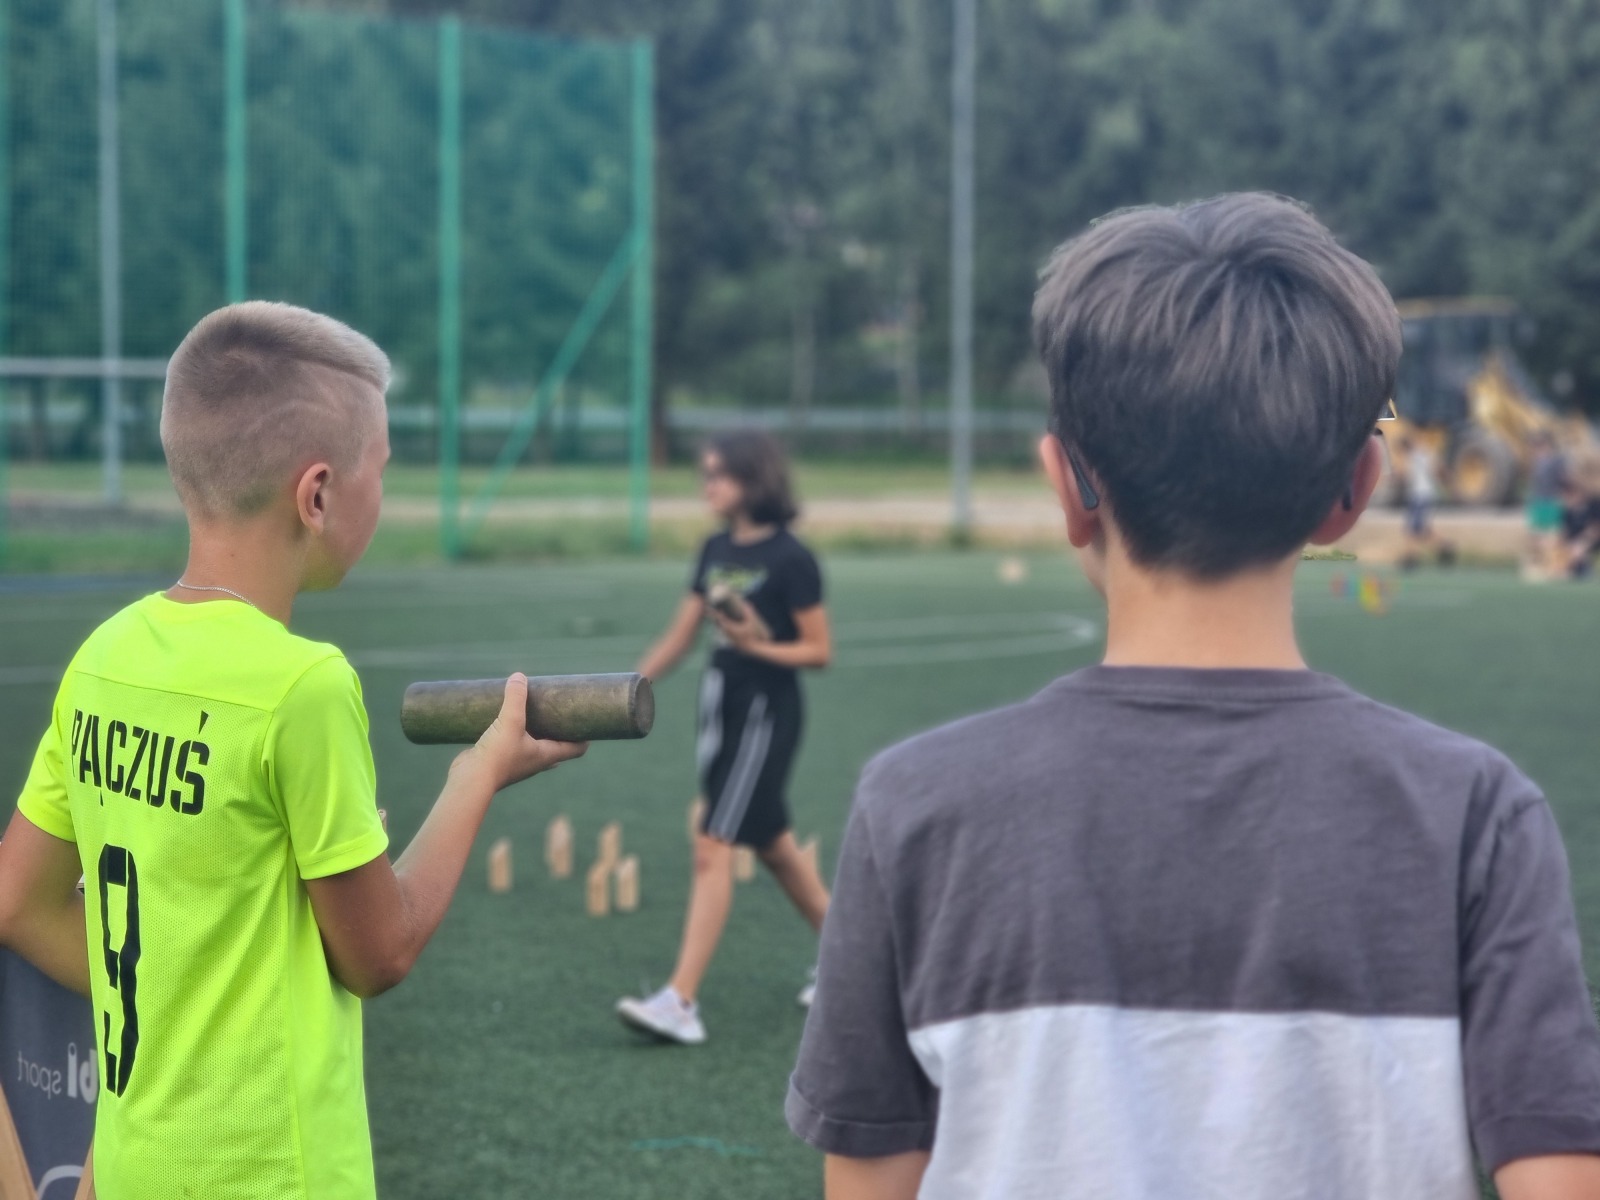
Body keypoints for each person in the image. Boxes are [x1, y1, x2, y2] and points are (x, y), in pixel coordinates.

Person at [787, 194, 1600, 1199]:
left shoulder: (914, 805)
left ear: (1066, 486)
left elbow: (870, 1182)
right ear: (1355, 490)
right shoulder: (1479, 815)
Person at [0, 302, 586, 1199]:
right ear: (317, 496)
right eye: (380, 469)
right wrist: (475, 777)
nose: (384, 493)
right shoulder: (304, 686)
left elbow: (19, 902)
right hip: (274, 1176)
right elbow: (379, 953)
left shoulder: (102, 658)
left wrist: (171, 998)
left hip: (128, 1168)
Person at [616, 430, 832, 1045]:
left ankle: (680, 1001)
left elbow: (819, 651)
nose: (707, 485)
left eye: (718, 474)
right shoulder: (714, 548)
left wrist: (755, 646)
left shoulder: (792, 558)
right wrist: (623, 689)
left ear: (753, 478)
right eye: (704, 474)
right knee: (774, 845)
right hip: (722, 705)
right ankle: (861, 961)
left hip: (767, 710)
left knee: (714, 843)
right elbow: (682, 633)